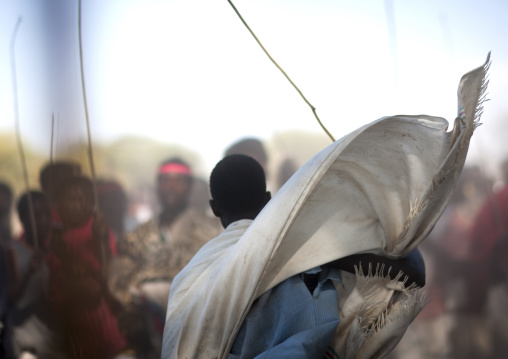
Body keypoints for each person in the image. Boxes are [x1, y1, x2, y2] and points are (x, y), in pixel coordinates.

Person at [163, 154, 425, 358]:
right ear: (267, 199)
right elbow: (414, 272)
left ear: (214, 208)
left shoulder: (191, 275)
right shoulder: (300, 252)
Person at [111, 158, 221, 359]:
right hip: (148, 337)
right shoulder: (138, 236)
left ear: (188, 187)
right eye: (166, 181)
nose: (171, 187)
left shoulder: (211, 230)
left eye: (178, 181)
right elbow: (120, 281)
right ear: (157, 186)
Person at [46, 176, 128, 359]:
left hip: (106, 330)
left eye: (85, 200)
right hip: (76, 335)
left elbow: (96, 287)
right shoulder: (56, 237)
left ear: (92, 203)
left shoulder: (98, 230)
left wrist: (103, 240)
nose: (79, 205)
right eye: (72, 200)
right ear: (59, 204)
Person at [4, 191, 64, 359]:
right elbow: (11, 298)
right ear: (23, 219)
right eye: (36, 215)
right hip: (26, 333)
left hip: (56, 334)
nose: (43, 221)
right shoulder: (12, 252)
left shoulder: (59, 247)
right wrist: (29, 271)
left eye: (46, 214)